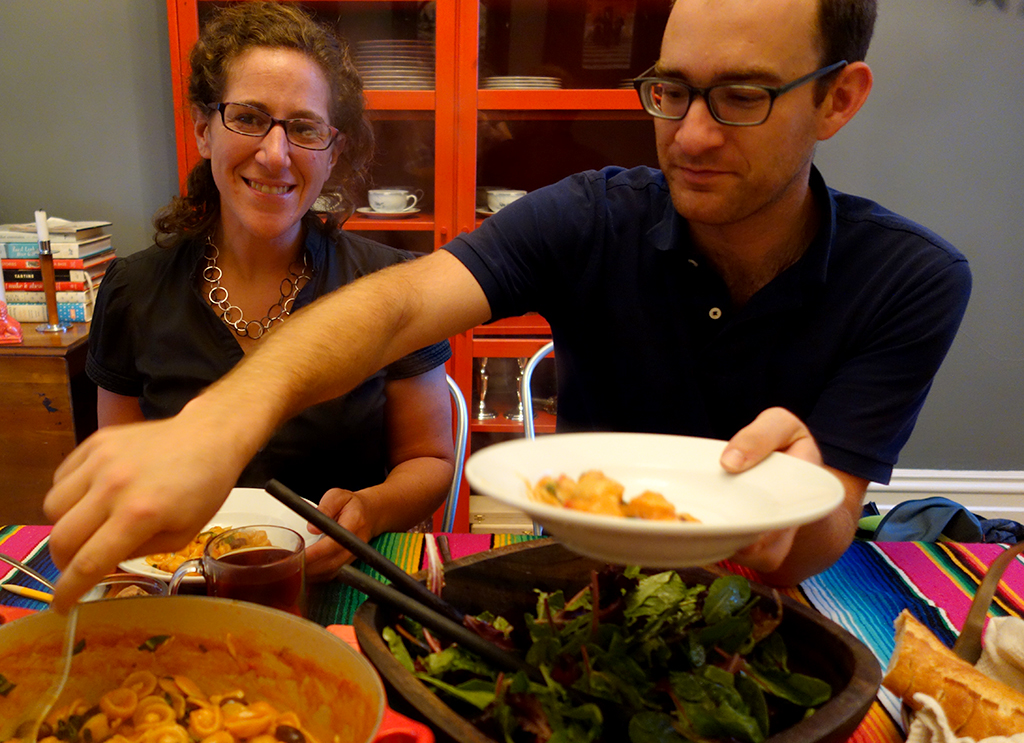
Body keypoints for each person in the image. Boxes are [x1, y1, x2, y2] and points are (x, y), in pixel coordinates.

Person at [45, 0, 970, 612]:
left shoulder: (912, 281)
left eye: (739, 98)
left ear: (839, 98)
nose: (687, 135)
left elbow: (811, 544)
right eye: (670, 91)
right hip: (584, 592)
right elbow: (399, 304)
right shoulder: (588, 216)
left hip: (766, 611)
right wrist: (223, 419)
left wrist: (801, 502)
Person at [83, 2, 456, 580]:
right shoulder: (133, 289)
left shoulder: (392, 287)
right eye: (250, 117)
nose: (275, 154)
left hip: (341, 576)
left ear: (332, 153)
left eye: (304, 128)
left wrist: (369, 510)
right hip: (183, 582)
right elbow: (120, 469)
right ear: (204, 129)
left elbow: (428, 460)